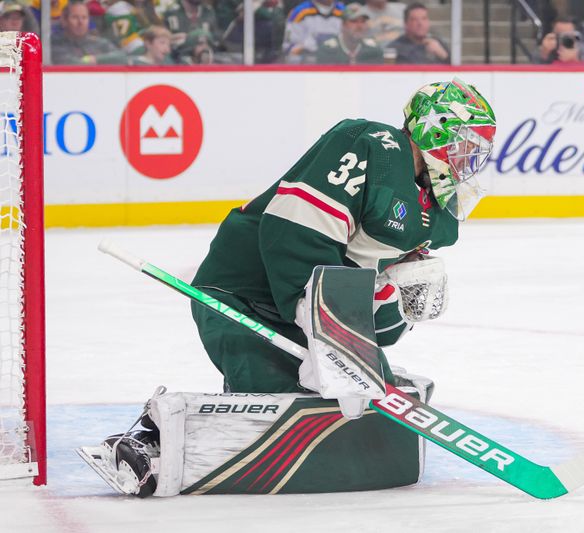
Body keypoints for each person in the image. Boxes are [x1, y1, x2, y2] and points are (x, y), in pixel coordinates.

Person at [84, 78, 497, 497]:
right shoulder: (369, 145)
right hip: (243, 296)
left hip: (313, 312)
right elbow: (293, 233)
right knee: (281, 408)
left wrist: (399, 301)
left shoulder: (433, 211)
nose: (470, 159)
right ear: (435, 130)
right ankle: (152, 439)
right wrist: (330, 336)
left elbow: (368, 302)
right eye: (466, 143)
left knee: (364, 411)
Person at [51, 1, 127, 65]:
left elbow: (122, 57)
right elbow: (70, 63)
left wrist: (94, 59)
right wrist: (86, 62)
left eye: (84, 17)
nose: (80, 22)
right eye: (75, 17)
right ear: (64, 21)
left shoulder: (99, 43)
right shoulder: (55, 44)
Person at [317, 3, 383, 64]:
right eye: (354, 21)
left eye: (363, 21)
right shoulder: (328, 50)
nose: (359, 26)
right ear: (343, 25)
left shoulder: (373, 50)